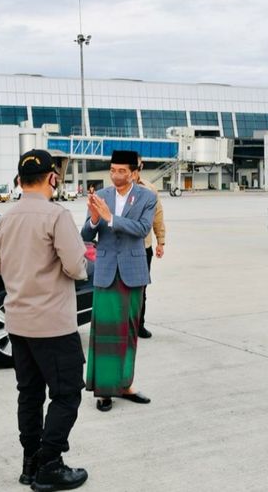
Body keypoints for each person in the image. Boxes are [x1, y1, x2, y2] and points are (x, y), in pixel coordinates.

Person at [0, 149, 89, 491]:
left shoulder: (3, 220)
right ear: (52, 178)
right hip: (53, 324)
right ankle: (50, 462)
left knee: (29, 394)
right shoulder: (56, 216)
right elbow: (77, 268)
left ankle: (30, 461)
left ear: (19, 181)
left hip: (18, 322)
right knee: (67, 393)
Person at [81, 150, 157, 412]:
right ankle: (104, 391)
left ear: (134, 172)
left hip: (133, 270)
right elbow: (86, 233)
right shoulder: (101, 196)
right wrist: (94, 218)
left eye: (122, 171)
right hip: (105, 270)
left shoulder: (147, 196)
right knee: (104, 333)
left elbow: (142, 229)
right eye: (112, 170)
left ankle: (125, 384)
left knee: (129, 332)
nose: (116, 175)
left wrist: (110, 218)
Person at [132, 160, 166, 338]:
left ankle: (139, 324)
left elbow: (157, 215)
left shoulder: (149, 189)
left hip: (143, 247)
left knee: (141, 290)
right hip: (122, 248)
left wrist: (161, 241)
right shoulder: (116, 190)